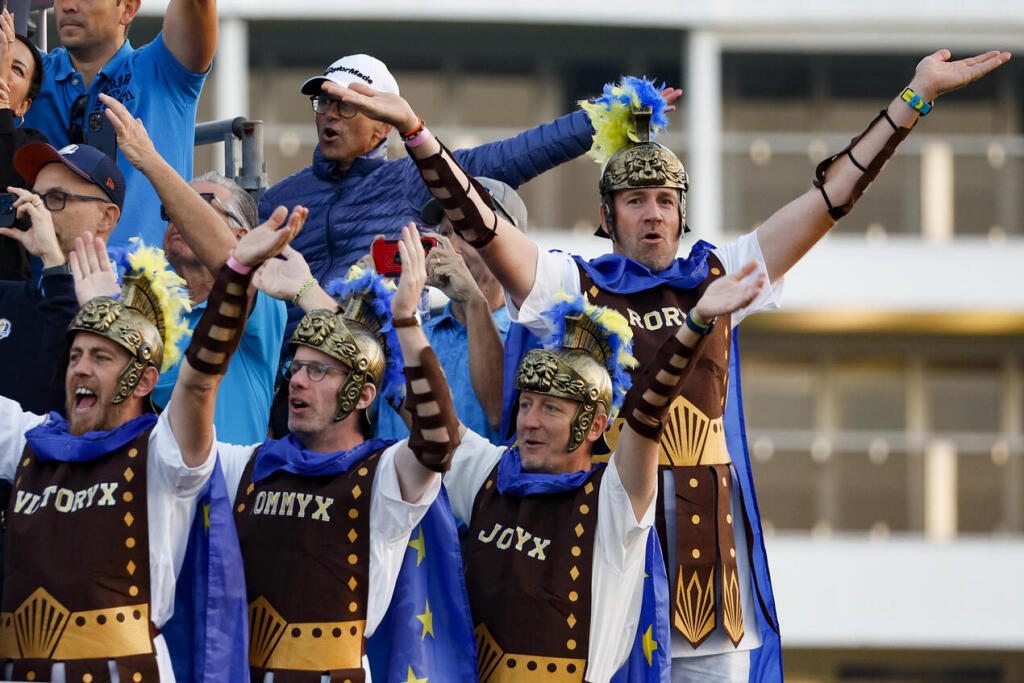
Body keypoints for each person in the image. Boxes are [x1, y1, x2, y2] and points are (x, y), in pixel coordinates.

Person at [339, 49, 1011, 681]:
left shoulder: (721, 274)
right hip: (595, 556)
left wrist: (913, 99)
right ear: (608, 216)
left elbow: (831, 199)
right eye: (635, 201)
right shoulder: (573, 282)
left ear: (681, 211)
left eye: (665, 200)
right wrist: (418, 132)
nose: (653, 214)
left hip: (706, 575)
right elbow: (481, 223)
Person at [0, 208, 303, 681]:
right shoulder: (30, 442)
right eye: (76, 355)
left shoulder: (163, 455)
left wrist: (237, 274)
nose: (81, 368)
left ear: (144, 381)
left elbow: (201, 379)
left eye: (101, 357)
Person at [437, 264, 763, 682]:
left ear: (596, 425)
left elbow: (648, 412)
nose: (529, 422)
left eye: (551, 407)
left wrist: (695, 324)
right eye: (525, 404)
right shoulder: (488, 473)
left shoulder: (613, 500)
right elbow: (428, 418)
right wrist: (407, 317)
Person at [258, 53, 681, 340]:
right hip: (292, 383)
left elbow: (519, 153)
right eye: (324, 102)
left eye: (347, 105)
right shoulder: (277, 200)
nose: (330, 114)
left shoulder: (413, 176)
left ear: (383, 126)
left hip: (382, 384)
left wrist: (622, 113)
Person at [219, 226, 475, 681]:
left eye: (317, 371)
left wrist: (406, 324)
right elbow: (191, 402)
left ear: (363, 396)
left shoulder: (386, 476)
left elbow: (439, 441)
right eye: (296, 368)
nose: (297, 380)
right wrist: (237, 274)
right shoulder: (249, 465)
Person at [97, 93, 288, 444]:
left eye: (198, 207)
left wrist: (150, 161)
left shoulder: (261, 295)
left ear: (243, 236)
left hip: (225, 495)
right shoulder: (136, 308)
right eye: (172, 209)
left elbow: (234, 266)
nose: (178, 218)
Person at [23, 0, 218, 249]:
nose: (68, 6)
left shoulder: (163, 70)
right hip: (46, 282)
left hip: (145, 283)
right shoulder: (27, 70)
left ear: (127, 8)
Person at [374, 177, 527, 444]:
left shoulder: (531, 336)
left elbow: (500, 415)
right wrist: (363, 302)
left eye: (467, 233)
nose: (452, 248)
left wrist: (473, 300)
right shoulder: (410, 334)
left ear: (510, 247)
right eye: (444, 234)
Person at [0, 142, 123, 415]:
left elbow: (77, 395)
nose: (37, 211)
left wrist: (54, 265)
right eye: (34, 197)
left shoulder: (132, 307)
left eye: (56, 199)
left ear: (106, 217)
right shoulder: (6, 297)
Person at [0, 10, 46, 280]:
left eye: (15, 69)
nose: (2, 71)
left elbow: (7, 179)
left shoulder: (33, 148)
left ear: (24, 105)